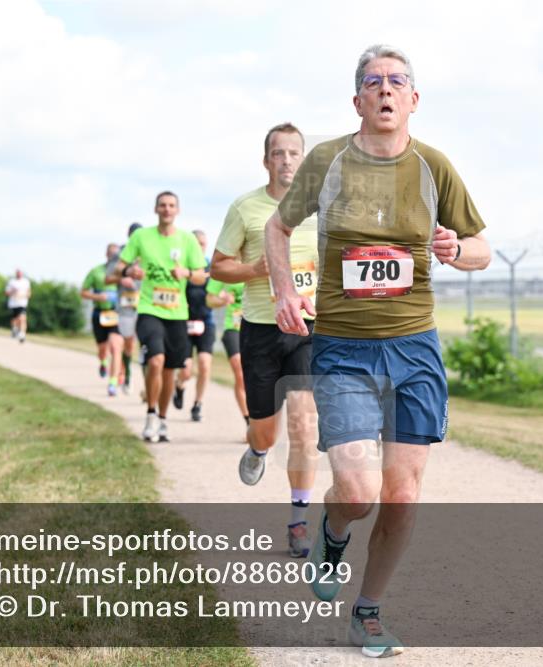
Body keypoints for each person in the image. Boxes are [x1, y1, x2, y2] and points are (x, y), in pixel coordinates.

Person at [266, 45, 491, 658]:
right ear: (358, 99)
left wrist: (454, 249)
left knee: (402, 493)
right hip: (343, 348)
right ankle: (333, 533)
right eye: (374, 82)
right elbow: (277, 229)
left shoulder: (433, 165)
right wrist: (285, 290)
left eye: (398, 82)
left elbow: (480, 249)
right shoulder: (327, 160)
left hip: (414, 347)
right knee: (359, 490)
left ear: (413, 99)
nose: (386, 90)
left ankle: (367, 612)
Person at [212, 122, 320, 559]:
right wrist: (256, 270)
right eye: (279, 153)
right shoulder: (246, 208)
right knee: (267, 430)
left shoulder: (319, 209)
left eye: (295, 153)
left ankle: (298, 521)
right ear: (266, 160)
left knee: (304, 425)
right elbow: (217, 267)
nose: (288, 160)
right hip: (259, 329)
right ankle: (257, 449)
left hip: (307, 330)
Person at [110, 192, 206, 443]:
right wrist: (131, 269)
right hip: (149, 310)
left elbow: (200, 275)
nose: (167, 209)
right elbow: (119, 267)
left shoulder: (187, 240)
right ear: (155, 209)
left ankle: (162, 420)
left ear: (178, 210)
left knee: (169, 373)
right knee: (155, 361)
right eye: (162, 205)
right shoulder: (142, 237)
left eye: (171, 205)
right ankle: (150, 415)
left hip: (177, 313)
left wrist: (185, 272)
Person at [174, 229, 215, 422]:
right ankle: (179, 386)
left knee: (205, 364)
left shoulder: (210, 268)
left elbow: (217, 292)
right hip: (184, 322)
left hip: (206, 321)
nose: (200, 247)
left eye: (203, 244)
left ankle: (197, 404)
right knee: (186, 369)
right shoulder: (181, 267)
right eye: (197, 244)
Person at [81, 244, 124, 396]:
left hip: (117, 313)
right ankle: (103, 362)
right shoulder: (96, 271)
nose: (113, 256)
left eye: (116, 254)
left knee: (116, 347)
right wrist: (97, 297)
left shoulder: (123, 272)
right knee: (102, 349)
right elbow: (84, 292)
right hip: (99, 313)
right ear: (106, 254)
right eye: (111, 254)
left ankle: (112, 382)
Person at [206, 278, 247, 432]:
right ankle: (248, 420)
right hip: (233, 327)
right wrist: (222, 300)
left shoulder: (261, 261)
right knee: (240, 373)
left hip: (257, 327)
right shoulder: (228, 263)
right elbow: (210, 300)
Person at [115, 222, 144, 396]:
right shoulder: (121, 253)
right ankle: (126, 373)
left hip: (146, 304)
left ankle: (148, 386)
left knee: (147, 345)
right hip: (125, 306)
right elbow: (109, 276)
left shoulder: (149, 252)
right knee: (128, 343)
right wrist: (120, 279)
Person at [5, 269, 31, 343]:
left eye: (20, 273)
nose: (19, 274)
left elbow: (29, 293)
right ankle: (14, 329)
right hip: (13, 304)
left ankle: (22, 335)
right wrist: (13, 291)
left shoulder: (26, 282)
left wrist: (25, 295)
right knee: (15, 320)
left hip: (22, 303)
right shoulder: (11, 282)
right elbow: (6, 293)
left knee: (22, 318)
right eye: (18, 273)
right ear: (16, 274)